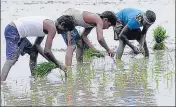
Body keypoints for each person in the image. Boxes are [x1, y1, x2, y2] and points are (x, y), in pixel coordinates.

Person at [1, 15, 75, 81]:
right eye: (65, 30)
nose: (63, 33)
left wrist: (53, 62)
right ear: (62, 24)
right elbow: (47, 51)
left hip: (17, 32)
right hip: (13, 30)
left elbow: (37, 45)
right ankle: (2, 83)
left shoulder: (48, 25)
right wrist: (59, 64)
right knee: (11, 60)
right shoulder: (52, 28)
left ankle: (34, 77)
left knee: (33, 52)